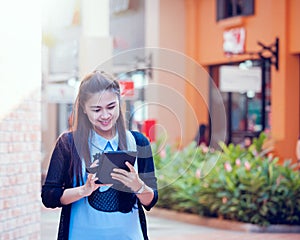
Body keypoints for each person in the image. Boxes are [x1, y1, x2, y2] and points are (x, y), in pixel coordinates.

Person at [41, 71, 158, 240]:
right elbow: (49, 197)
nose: (105, 115)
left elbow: (150, 200)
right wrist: (83, 190)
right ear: (83, 108)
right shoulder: (69, 144)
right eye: (96, 109)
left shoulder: (139, 142)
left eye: (111, 107)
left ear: (119, 102)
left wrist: (138, 186)